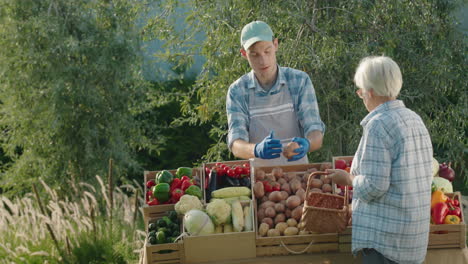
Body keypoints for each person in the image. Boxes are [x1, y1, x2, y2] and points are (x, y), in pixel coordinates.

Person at [326, 56, 433, 264]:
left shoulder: (378, 125)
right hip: (413, 235)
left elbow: (374, 186)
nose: (361, 96)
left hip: (387, 240)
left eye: (360, 91)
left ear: (370, 91)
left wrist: (348, 179)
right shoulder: (414, 119)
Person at [226, 21, 325, 167]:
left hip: (298, 174)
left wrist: (308, 144)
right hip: (260, 179)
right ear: (244, 54)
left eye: (267, 51)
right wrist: (256, 149)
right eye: (254, 55)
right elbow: (236, 144)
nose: (263, 60)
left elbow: (316, 132)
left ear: (276, 45)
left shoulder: (299, 81)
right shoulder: (237, 91)